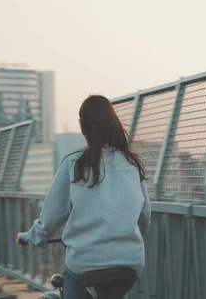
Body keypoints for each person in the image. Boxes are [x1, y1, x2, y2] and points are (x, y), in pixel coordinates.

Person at [16, 95, 151, 299]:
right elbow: (144, 217)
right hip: (130, 262)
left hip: (86, 262)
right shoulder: (132, 164)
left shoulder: (74, 164)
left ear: (83, 126)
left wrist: (29, 237)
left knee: (74, 278)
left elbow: (51, 217)